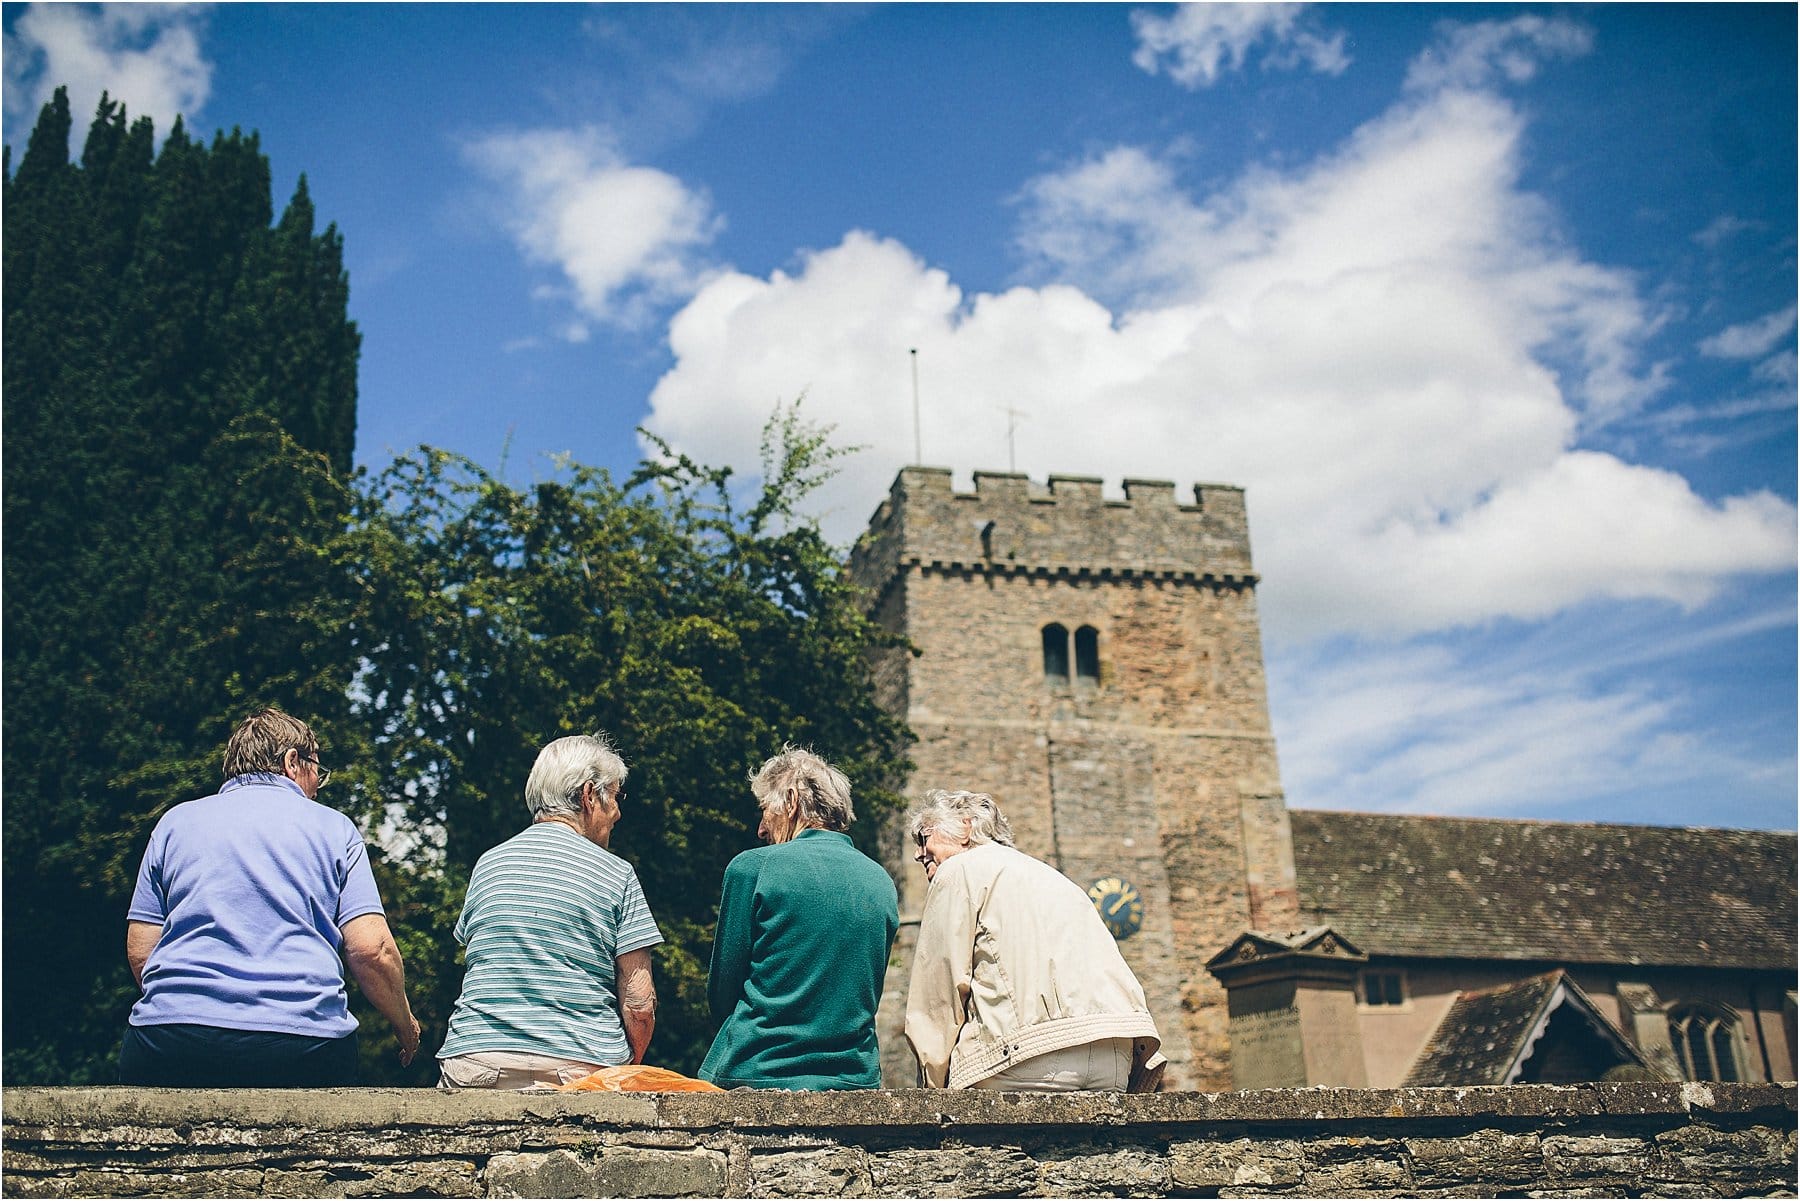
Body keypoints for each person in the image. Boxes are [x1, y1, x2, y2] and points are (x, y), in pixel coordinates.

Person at [121, 708, 421, 1086]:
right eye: (317, 770)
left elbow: (141, 949)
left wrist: (187, 1008)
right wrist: (405, 1024)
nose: (317, 786)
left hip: (169, 1042)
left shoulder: (174, 823)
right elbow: (372, 950)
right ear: (292, 761)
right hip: (302, 1045)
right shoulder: (335, 828)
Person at [436, 732, 661, 1090]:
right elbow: (639, 1003)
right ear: (589, 796)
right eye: (615, 797)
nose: (618, 813)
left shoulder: (488, 864)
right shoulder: (617, 873)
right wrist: (627, 1066)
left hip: (478, 1058)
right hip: (582, 1065)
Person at [904, 789, 1166, 1092]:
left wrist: (932, 1087)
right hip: (1114, 1056)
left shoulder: (959, 870)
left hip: (1028, 1056)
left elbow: (939, 992)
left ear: (965, 826)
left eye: (924, 838)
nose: (918, 853)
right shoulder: (1058, 880)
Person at [698, 746, 899, 1090]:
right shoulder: (881, 880)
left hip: (757, 1070)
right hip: (854, 1079)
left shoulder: (753, 867)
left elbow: (722, 994)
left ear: (791, 801)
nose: (761, 829)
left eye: (764, 810)